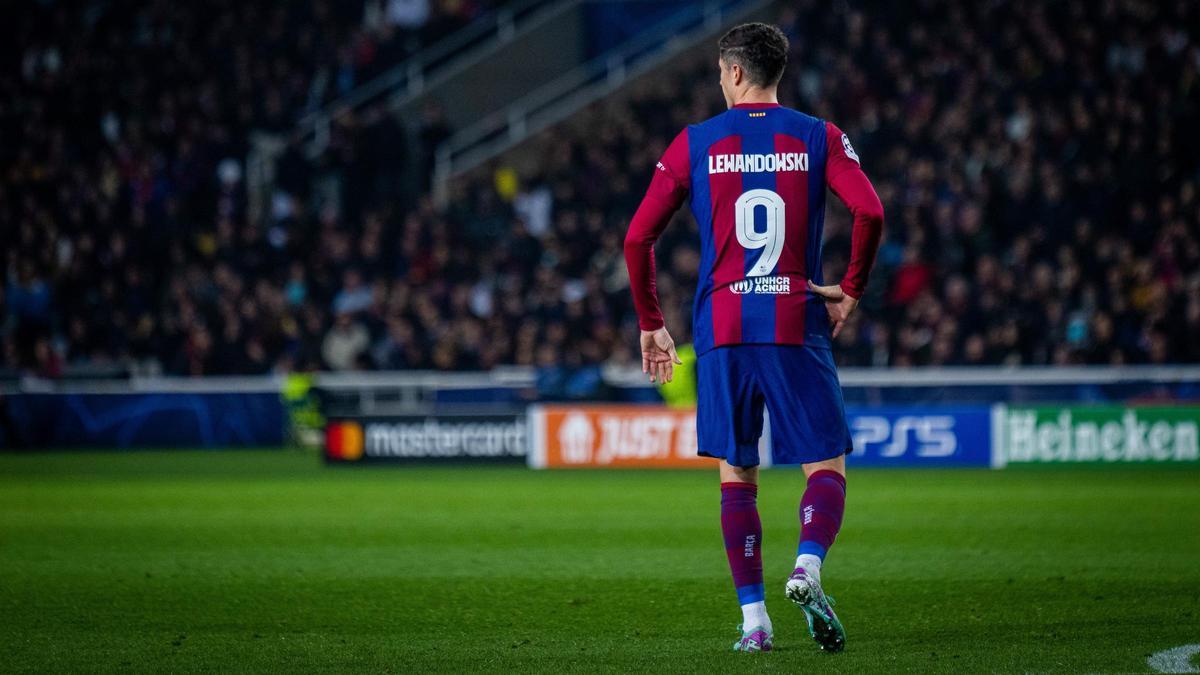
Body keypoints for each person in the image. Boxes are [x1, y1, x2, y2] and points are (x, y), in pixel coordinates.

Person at [623, 22, 884, 653]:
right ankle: (808, 567)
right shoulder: (818, 136)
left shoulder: (694, 143)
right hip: (795, 319)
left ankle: (754, 624)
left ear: (736, 73)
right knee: (825, 463)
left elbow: (637, 239)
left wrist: (652, 323)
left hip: (723, 329)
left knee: (738, 476)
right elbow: (871, 211)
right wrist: (850, 288)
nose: (719, 81)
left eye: (720, 71)